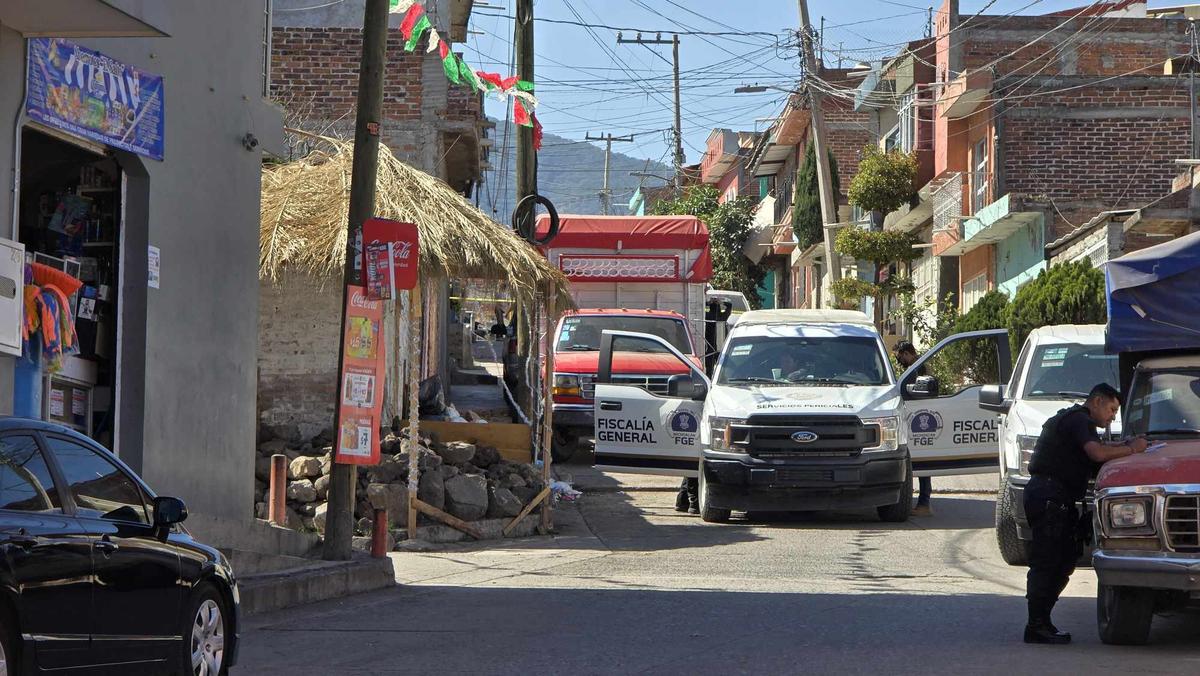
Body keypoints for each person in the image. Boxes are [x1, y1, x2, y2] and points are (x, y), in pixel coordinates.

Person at [1022, 382, 1146, 644]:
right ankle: (1036, 625)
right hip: (1049, 496)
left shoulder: (1076, 422)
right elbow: (1097, 453)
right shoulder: (1080, 421)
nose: (1113, 416)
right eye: (1112, 409)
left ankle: (1042, 622)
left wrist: (1123, 447)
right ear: (1098, 401)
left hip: (1055, 497)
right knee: (1048, 562)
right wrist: (1132, 449)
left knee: (1064, 560)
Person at [894, 341, 934, 516]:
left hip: (918, 419)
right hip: (914, 419)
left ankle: (924, 503)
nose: (899, 361)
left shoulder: (918, 368)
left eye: (899, 357)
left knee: (922, 463)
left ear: (907, 353)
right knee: (918, 463)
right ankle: (920, 502)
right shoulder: (917, 366)